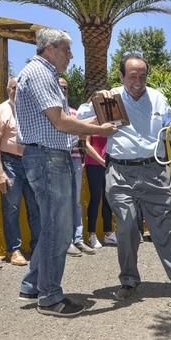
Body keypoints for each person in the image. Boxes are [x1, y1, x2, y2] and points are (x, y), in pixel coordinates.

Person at [77, 54, 171, 305]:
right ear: (122, 76)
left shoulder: (157, 97)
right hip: (120, 172)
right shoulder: (109, 97)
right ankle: (128, 281)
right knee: (125, 225)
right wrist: (97, 108)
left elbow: (169, 123)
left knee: (165, 228)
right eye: (132, 76)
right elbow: (79, 120)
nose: (138, 81)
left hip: (154, 171)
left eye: (142, 76)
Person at [15, 28, 116, 317]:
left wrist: (101, 119)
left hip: (47, 156)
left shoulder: (38, 74)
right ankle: (50, 297)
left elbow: (62, 120)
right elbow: (60, 122)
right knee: (58, 229)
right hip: (48, 157)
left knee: (51, 226)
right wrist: (99, 129)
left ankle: (33, 285)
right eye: (67, 50)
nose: (71, 56)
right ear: (51, 48)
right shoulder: (41, 74)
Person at [0, 77, 40, 266]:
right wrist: (0, 173)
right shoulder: (0, 111)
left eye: (20, 88)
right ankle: (14, 249)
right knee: (11, 208)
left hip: (32, 162)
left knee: (36, 207)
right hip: (10, 163)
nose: (16, 91)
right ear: (7, 88)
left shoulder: (32, 110)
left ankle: (38, 247)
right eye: (13, 88)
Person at [60, 77, 95, 257]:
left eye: (65, 87)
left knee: (75, 201)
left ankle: (78, 238)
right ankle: (66, 241)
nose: (63, 90)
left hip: (74, 159)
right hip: (58, 160)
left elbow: (83, 134)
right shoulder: (53, 112)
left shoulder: (74, 113)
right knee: (64, 202)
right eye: (60, 87)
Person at [83, 131, 116, 248]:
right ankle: (91, 234)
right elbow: (86, 145)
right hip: (93, 164)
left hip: (109, 164)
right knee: (95, 198)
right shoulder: (89, 118)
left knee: (108, 198)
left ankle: (108, 233)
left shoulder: (107, 121)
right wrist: (101, 161)